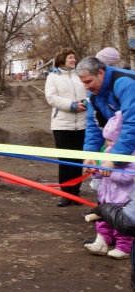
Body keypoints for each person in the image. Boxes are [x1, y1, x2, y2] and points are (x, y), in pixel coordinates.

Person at [84, 111, 134, 259]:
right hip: (106, 194)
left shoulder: (130, 155)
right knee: (102, 219)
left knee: (120, 223)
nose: (108, 144)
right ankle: (102, 241)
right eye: (107, 140)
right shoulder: (107, 151)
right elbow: (102, 171)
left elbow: (127, 177)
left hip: (122, 196)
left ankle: (124, 248)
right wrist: (95, 171)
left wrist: (110, 171)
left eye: (112, 141)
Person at [45, 47, 87, 207]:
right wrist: (71, 105)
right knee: (65, 160)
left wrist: (85, 103)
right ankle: (65, 193)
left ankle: (76, 192)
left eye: (74, 58)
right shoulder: (53, 77)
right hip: (62, 124)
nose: (74, 60)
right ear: (62, 59)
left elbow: (89, 91)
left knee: (77, 159)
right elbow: (51, 97)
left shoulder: (80, 74)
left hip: (82, 123)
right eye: (71, 57)